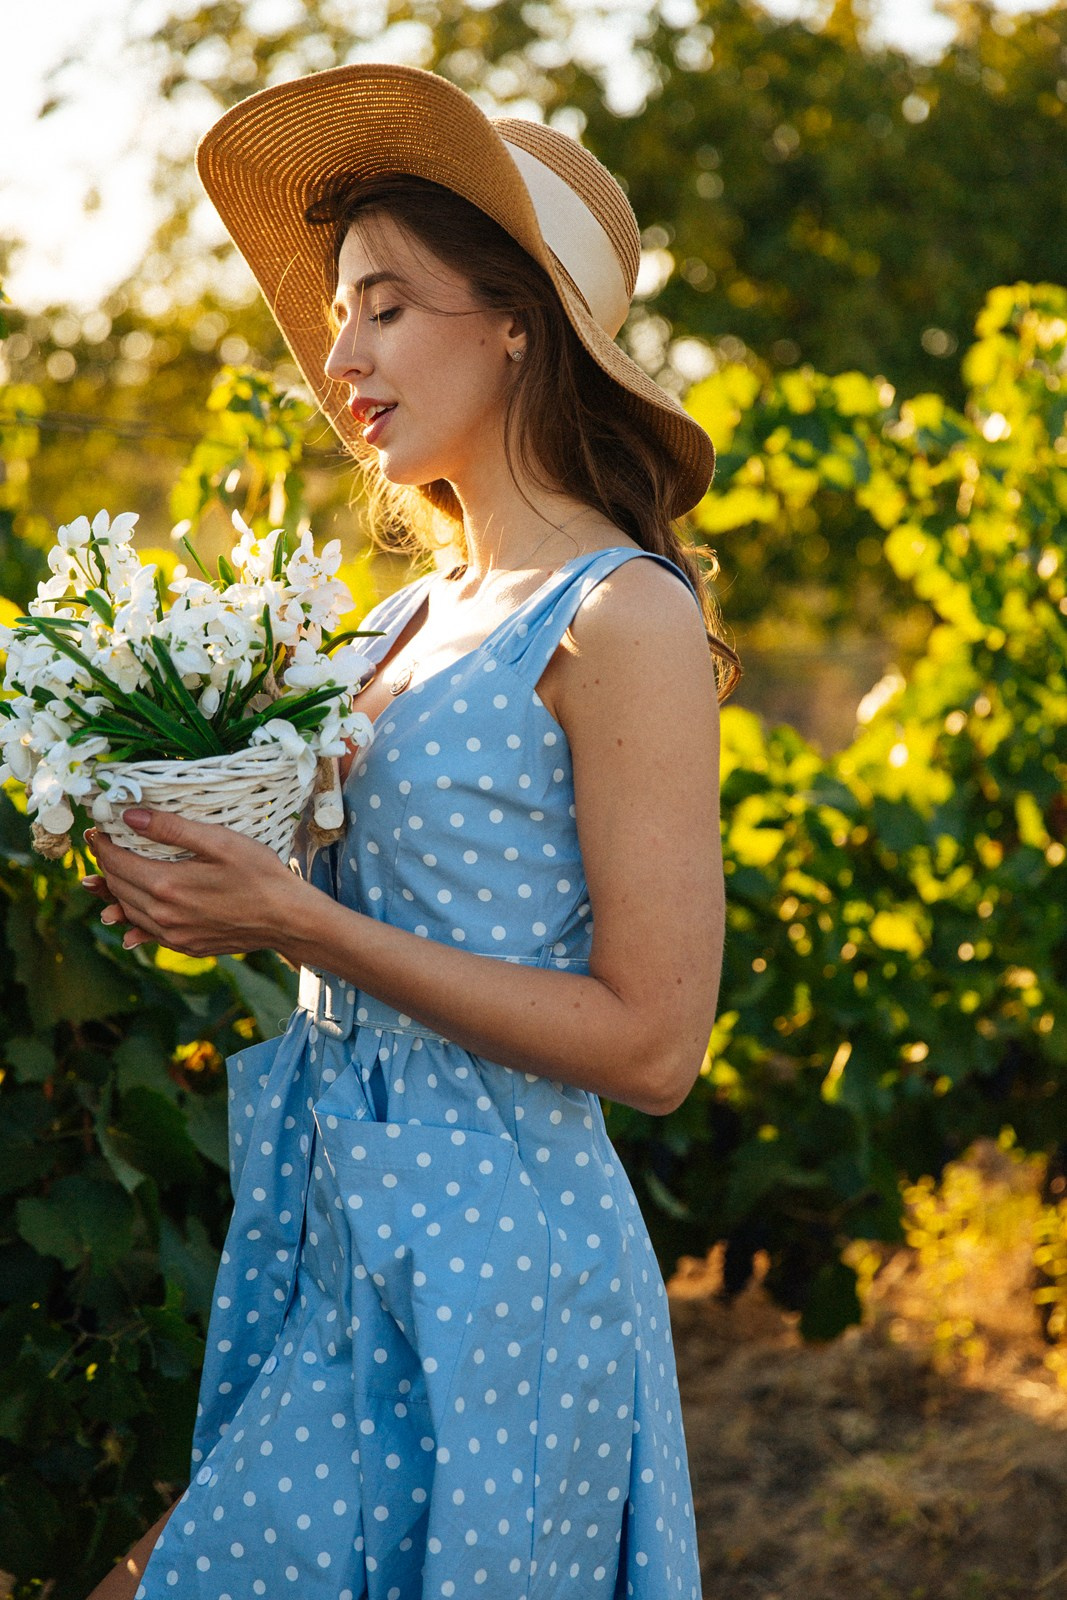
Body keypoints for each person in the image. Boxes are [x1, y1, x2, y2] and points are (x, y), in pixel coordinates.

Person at [82, 61, 740, 1600]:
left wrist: (297, 920)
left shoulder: (618, 615)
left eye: (384, 302)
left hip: (495, 1275)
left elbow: (656, 1046)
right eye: (337, 309)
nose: (339, 351)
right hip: (329, 1237)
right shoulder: (396, 624)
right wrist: (186, 869)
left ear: (517, 322)